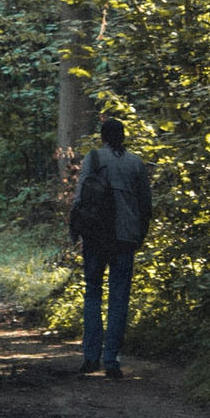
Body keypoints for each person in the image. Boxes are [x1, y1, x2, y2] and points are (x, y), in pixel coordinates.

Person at [70, 117, 152, 378]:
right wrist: (140, 234)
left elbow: (80, 197)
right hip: (125, 238)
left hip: (95, 236)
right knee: (119, 298)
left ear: (102, 137)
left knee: (93, 292)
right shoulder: (135, 163)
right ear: (123, 137)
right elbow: (146, 205)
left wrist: (76, 229)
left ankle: (91, 357)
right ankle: (112, 359)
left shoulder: (93, 158)